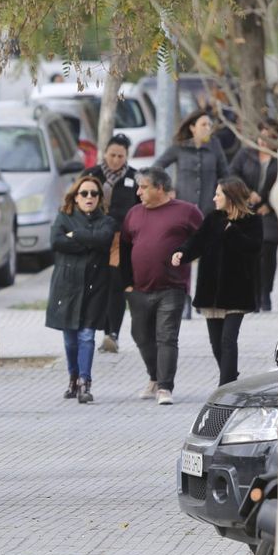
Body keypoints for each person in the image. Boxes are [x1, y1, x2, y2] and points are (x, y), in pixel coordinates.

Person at [120, 168, 203, 405]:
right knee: (141, 335)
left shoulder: (186, 211)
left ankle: (165, 387)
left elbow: (203, 238)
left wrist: (186, 254)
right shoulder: (134, 213)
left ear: (159, 188)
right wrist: (126, 283)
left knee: (166, 336)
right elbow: (124, 248)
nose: (139, 192)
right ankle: (154, 378)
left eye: (144, 187)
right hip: (138, 288)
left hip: (172, 287)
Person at [173, 179, 263, 386]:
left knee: (228, 341)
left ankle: (226, 388)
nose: (214, 198)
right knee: (216, 344)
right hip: (211, 290)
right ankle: (232, 380)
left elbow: (254, 249)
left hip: (237, 291)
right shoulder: (213, 218)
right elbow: (197, 241)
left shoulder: (252, 221)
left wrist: (233, 232)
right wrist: (181, 253)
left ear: (230, 197)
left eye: (218, 194)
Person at [47, 173, 118, 403]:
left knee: (87, 336)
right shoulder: (64, 217)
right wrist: (89, 243)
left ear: (100, 198)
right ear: (75, 196)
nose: (89, 197)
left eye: (94, 193)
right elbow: (57, 242)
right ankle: (73, 377)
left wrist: (76, 235)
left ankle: (85, 381)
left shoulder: (106, 220)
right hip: (67, 285)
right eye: (84, 193)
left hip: (94, 286)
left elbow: (103, 240)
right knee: (70, 338)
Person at [88, 133, 138, 353]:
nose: (116, 160)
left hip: (121, 239)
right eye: (112, 155)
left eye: (121, 156)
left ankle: (112, 334)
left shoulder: (135, 178)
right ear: (105, 153)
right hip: (95, 238)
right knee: (98, 285)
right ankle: (97, 330)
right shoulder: (92, 175)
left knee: (117, 285)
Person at [232, 119, 278, 312]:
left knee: (267, 250)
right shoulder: (246, 154)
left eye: (269, 137)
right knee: (249, 252)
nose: (264, 141)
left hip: (270, 212)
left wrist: (269, 203)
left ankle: (265, 294)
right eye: (262, 136)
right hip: (248, 209)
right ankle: (252, 294)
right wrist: (247, 193)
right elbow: (232, 174)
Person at [154, 109, 234, 215]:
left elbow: (225, 175)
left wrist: (223, 198)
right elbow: (156, 167)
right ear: (193, 128)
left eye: (210, 125)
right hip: (183, 209)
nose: (208, 128)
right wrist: (167, 189)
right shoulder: (180, 146)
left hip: (208, 209)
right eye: (203, 125)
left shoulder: (215, 145)